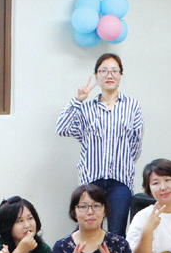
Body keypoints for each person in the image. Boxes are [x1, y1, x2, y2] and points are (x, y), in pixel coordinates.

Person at [58, 53, 145, 236]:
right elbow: (62, 129)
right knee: (86, 231)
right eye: (103, 71)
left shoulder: (132, 106)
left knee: (116, 233)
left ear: (121, 75)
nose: (109, 75)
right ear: (96, 75)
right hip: (91, 180)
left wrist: (124, 164)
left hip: (120, 182)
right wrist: (77, 100)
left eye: (115, 71)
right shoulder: (86, 108)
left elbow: (135, 145)